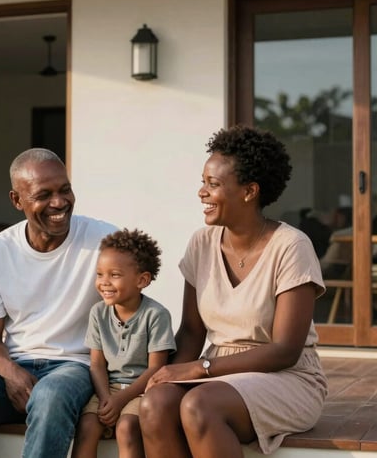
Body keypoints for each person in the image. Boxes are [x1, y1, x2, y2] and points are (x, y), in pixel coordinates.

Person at [139, 125, 328, 457]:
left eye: (213, 184)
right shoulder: (202, 242)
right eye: (203, 182)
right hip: (217, 373)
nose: (201, 192)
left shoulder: (291, 246)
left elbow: (285, 350)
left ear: (249, 191)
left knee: (200, 406)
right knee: (156, 405)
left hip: (287, 377)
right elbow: (192, 332)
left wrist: (198, 369)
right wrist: (158, 377)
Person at [0, 147, 118, 458]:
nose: (59, 202)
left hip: (75, 367)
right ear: (17, 200)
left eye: (65, 189)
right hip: (17, 365)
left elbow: (129, 314)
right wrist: (9, 371)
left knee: (50, 394)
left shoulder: (104, 240)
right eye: (44, 194)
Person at [71, 229, 176, 458]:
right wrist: (107, 398)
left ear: (142, 280)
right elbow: (97, 364)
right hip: (106, 389)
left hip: (142, 390)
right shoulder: (98, 313)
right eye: (100, 274)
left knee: (126, 429)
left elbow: (156, 369)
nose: (104, 282)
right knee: (87, 427)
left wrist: (121, 400)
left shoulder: (156, 315)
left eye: (114, 275)